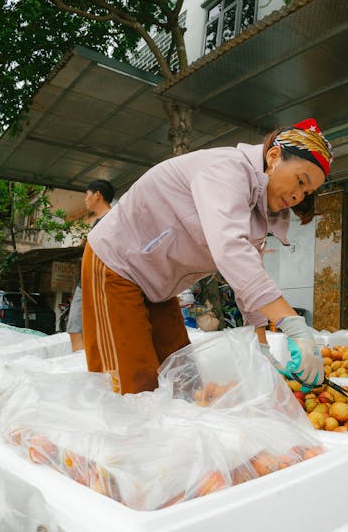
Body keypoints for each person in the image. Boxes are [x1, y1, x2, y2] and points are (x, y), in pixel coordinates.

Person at [81, 118, 332, 394]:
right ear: (273, 156)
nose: (298, 196)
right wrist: (292, 323)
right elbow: (231, 250)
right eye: (299, 181)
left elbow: (247, 277)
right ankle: (121, 436)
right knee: (132, 385)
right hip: (117, 264)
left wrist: (260, 347)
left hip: (159, 286)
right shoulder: (228, 170)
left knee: (183, 382)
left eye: (306, 192)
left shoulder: (258, 210)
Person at [67, 179, 114, 352]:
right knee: (78, 328)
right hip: (88, 281)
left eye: (87, 195)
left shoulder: (111, 219)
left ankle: (80, 368)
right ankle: (83, 366)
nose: (85, 200)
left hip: (97, 282)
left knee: (77, 328)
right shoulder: (99, 221)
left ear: (97, 195)